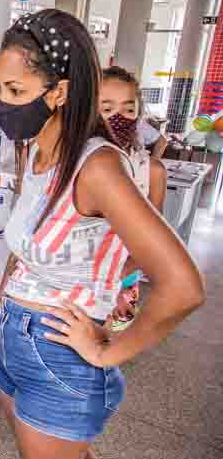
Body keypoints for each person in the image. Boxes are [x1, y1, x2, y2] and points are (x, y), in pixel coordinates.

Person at [0, 9, 204, 459]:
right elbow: (20, 259)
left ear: (60, 92)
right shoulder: (36, 150)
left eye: (16, 91)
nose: (2, 105)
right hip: (17, 339)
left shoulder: (97, 167)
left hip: (59, 354)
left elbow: (183, 286)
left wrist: (107, 352)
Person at [100, 65, 168, 325]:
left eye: (128, 110)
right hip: (73, 281)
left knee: (109, 340)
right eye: (107, 109)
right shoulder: (76, 165)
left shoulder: (152, 172)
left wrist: (115, 277)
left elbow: (152, 241)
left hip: (120, 279)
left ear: (139, 114)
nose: (118, 118)